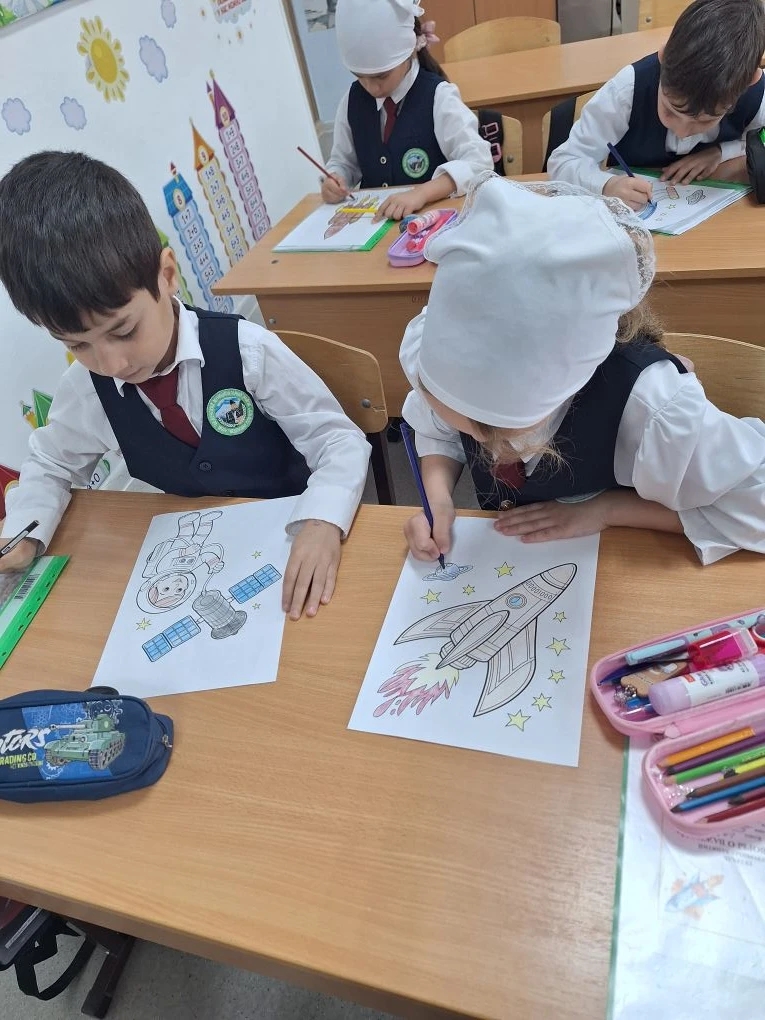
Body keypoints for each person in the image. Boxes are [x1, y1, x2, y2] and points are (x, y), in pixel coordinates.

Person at [0, 151, 371, 619]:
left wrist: (322, 519)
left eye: (124, 331)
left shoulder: (246, 350)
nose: (111, 363)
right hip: (192, 561)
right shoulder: (87, 387)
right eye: (77, 344)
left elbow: (337, 439)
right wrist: (26, 533)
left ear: (168, 275)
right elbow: (51, 462)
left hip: (288, 539)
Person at [399, 173, 765, 566]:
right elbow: (439, 431)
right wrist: (438, 499)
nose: (485, 451)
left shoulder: (649, 407)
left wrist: (606, 510)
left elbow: (756, 507)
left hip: (616, 562)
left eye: (496, 432)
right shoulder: (445, 359)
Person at [547, 0, 765, 211]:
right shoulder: (628, 89)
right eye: (671, 111)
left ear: (750, 81)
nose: (682, 132)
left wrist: (721, 152)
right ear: (663, 56)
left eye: (705, 121)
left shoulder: (755, 93)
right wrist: (606, 185)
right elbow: (564, 161)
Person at [323, 0, 493, 221]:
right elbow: (343, 162)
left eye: (381, 76)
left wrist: (422, 193)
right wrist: (335, 178)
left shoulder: (438, 95)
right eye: (359, 76)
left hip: (431, 223)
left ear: (410, 50)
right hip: (374, 226)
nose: (372, 88)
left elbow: (479, 162)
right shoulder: (352, 100)